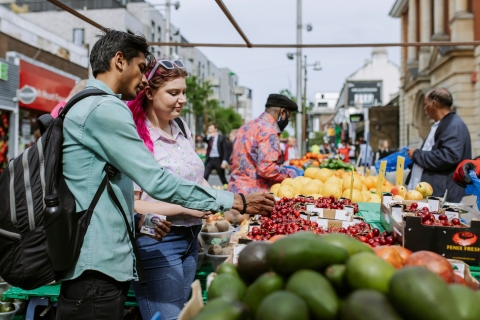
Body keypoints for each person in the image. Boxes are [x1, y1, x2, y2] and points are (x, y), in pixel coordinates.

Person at [58, 29, 274, 320]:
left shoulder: (92, 104)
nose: (144, 77)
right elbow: (155, 181)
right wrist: (235, 201)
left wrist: (140, 219)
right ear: (119, 61)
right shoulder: (105, 109)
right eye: (141, 67)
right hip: (98, 259)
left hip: (111, 252)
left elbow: (110, 189)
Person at [126, 59, 213, 320]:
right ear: (150, 93)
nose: (182, 99)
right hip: (157, 240)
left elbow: (197, 178)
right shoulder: (136, 137)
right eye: (173, 93)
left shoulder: (182, 127)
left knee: (182, 312)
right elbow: (131, 204)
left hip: (190, 238)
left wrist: (216, 198)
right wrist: (188, 206)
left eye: (183, 92)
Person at [406, 88, 471, 202]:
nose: (424, 108)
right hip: (431, 195)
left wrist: (417, 154)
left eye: (426, 104)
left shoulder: (454, 126)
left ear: (434, 104)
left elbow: (449, 156)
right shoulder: (442, 124)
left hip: (443, 196)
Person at [228, 94, 300, 193]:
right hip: (254, 195)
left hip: (235, 191)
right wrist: (291, 173)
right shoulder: (269, 130)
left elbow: (233, 160)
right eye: (288, 117)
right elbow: (267, 169)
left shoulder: (245, 127)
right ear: (282, 113)